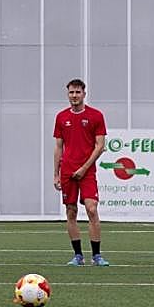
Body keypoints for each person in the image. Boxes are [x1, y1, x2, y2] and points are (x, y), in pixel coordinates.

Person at [53, 79, 109, 267]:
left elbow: (100, 146)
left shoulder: (96, 116)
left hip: (87, 169)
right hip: (67, 171)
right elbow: (58, 147)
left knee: (92, 209)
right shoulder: (61, 117)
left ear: (84, 93)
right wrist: (56, 173)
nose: (74, 96)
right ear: (67, 94)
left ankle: (97, 255)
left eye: (78, 92)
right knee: (71, 211)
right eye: (71, 92)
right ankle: (78, 255)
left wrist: (84, 167)